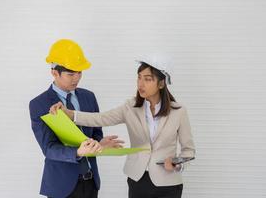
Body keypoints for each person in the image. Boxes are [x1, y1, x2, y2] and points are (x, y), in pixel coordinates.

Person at [50, 53, 196, 198]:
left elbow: (188, 151)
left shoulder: (179, 112)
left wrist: (178, 164)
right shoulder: (130, 107)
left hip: (168, 183)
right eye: (139, 78)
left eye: (148, 79)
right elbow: (101, 119)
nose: (140, 84)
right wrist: (71, 115)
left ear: (161, 83)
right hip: (137, 179)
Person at [29, 39, 124, 198]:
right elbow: (49, 149)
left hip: (91, 182)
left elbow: (95, 133)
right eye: (70, 74)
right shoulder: (39, 104)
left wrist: (99, 144)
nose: (76, 78)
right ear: (54, 72)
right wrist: (78, 152)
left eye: (79, 72)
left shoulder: (88, 97)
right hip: (61, 187)